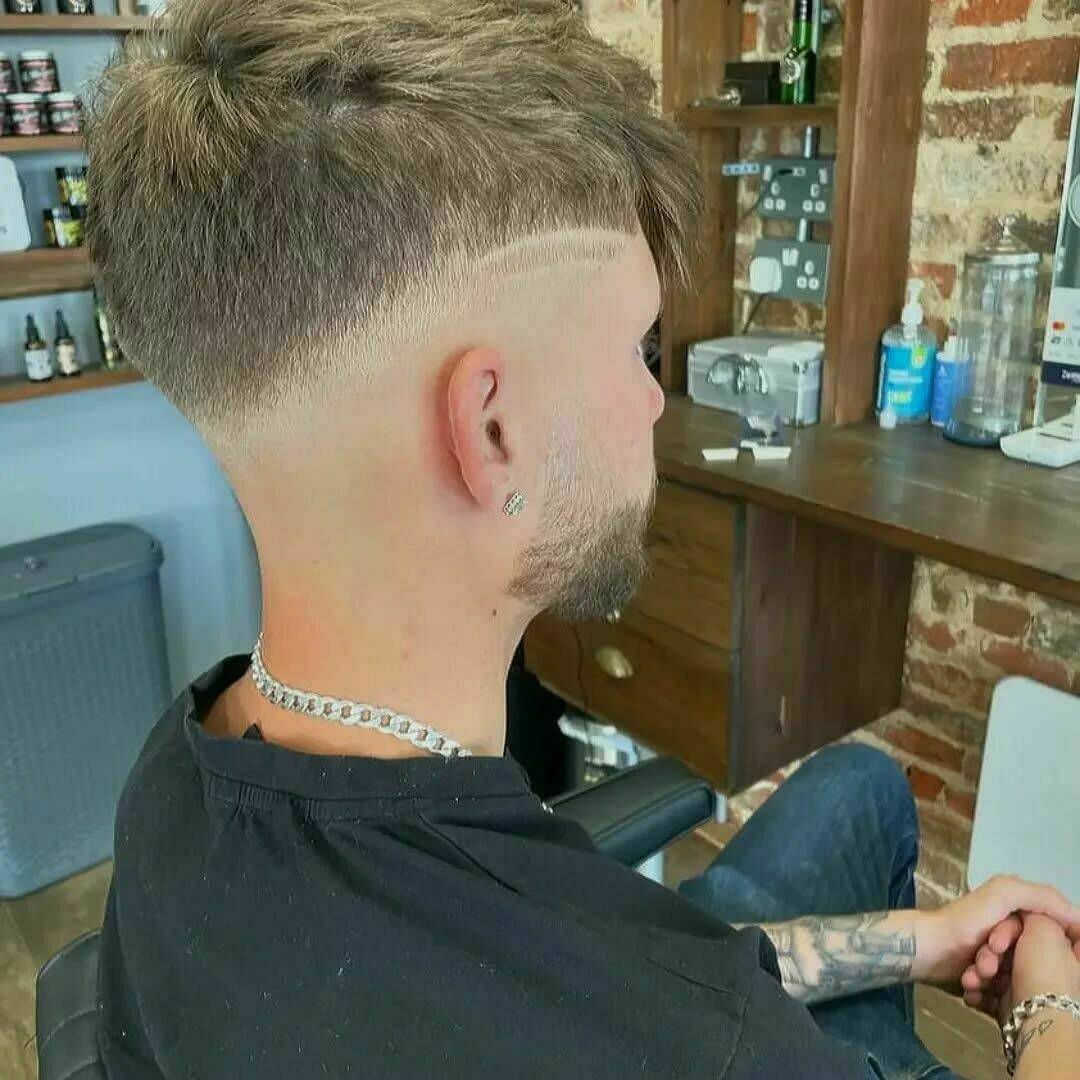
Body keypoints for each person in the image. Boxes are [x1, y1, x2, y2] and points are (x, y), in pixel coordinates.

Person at [86, 1, 1080, 1077]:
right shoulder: (711, 1050)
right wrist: (1047, 1001)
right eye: (639, 350)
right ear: (492, 431)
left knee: (859, 788)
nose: (655, 401)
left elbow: (616, 971)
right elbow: (655, 1007)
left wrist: (919, 942)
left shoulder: (166, 790)